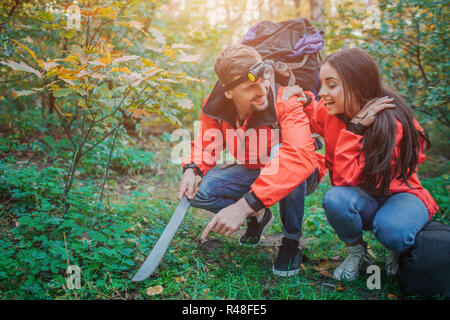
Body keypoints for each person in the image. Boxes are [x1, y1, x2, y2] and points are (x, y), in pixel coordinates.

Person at [284, 47, 439, 281]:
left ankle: (396, 249)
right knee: (336, 199)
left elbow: (346, 177)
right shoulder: (332, 111)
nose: (322, 92)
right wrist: (304, 98)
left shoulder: (390, 124)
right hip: (364, 197)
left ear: (357, 84)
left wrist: (354, 130)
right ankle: (357, 252)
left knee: (392, 230)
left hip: (401, 196)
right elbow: (314, 112)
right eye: (321, 84)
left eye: (331, 84)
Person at [177, 44, 325, 277]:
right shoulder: (213, 105)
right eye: (249, 87)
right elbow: (207, 143)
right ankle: (260, 216)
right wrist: (192, 168)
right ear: (228, 92)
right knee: (201, 192)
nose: (263, 89)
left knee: (283, 153)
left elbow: (298, 157)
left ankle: (291, 242)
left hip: (300, 173)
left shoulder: (285, 100)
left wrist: (245, 205)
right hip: (255, 169)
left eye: (264, 80)